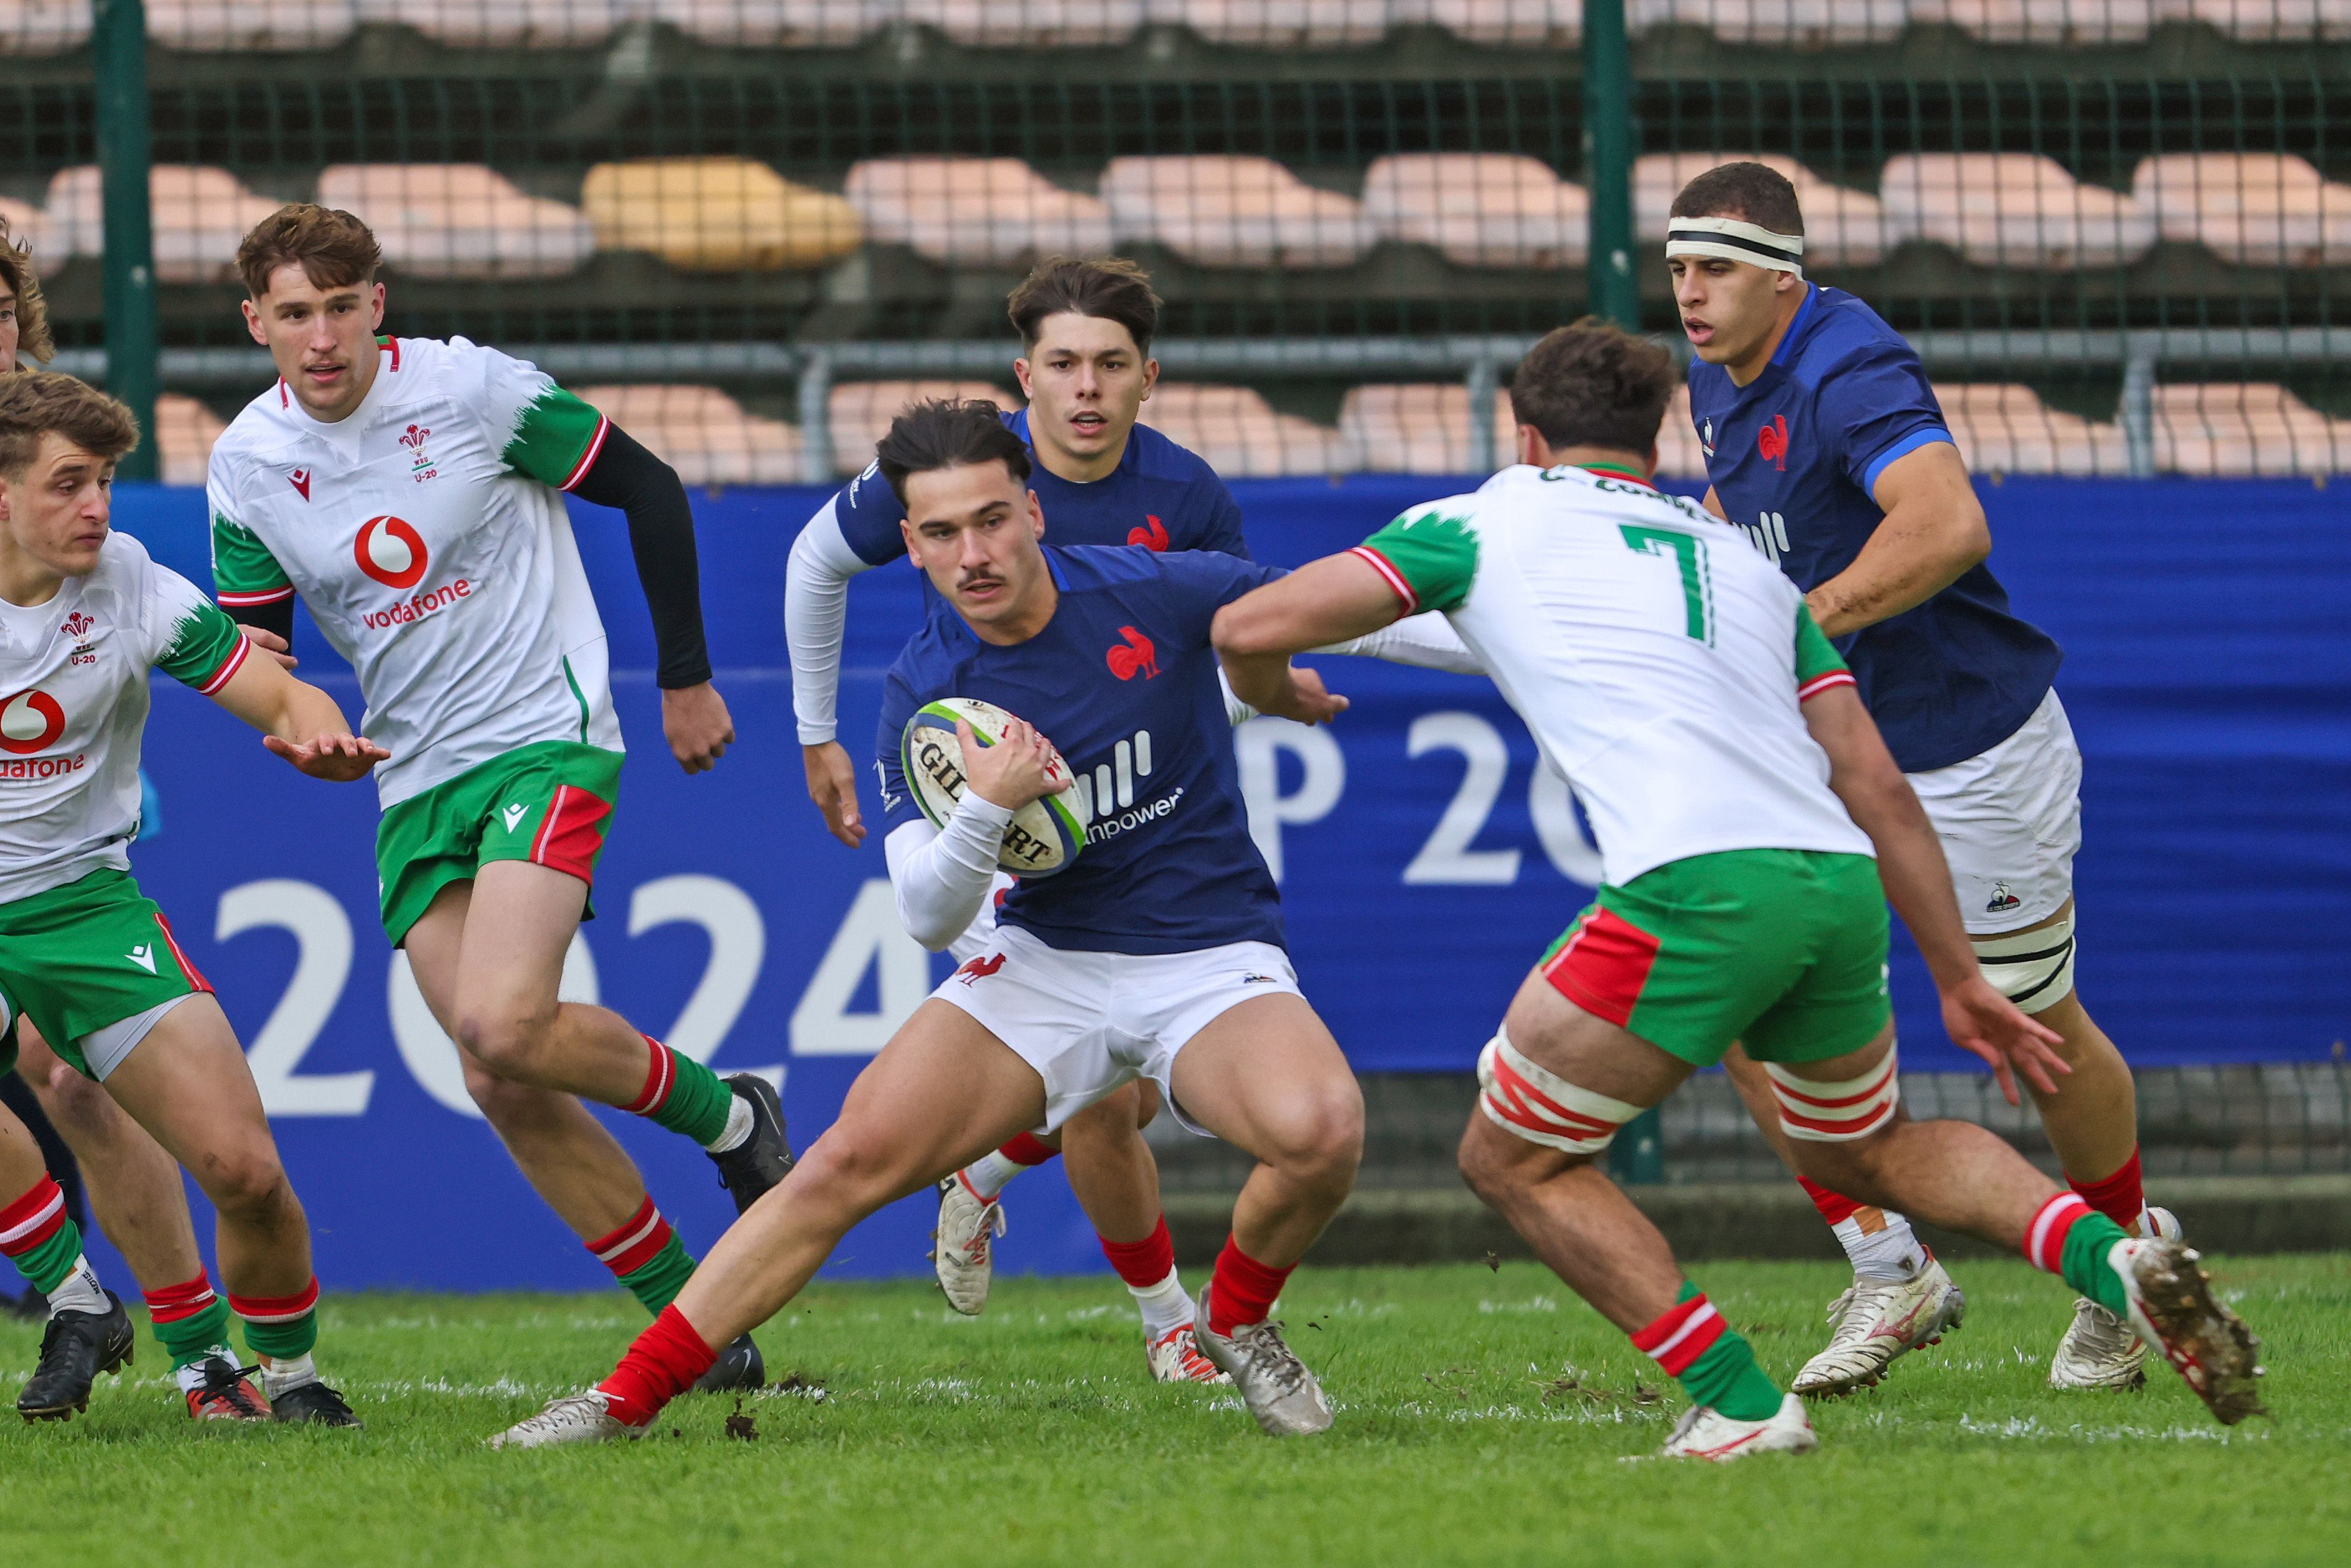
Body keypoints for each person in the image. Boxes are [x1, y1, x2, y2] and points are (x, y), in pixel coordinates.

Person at [1208, 320, 2263, 1458]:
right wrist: (1957, 980)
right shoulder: (1748, 567)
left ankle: (1740, 1406)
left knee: (1509, 1157)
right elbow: (1876, 786)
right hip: (1834, 884)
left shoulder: (1481, 516)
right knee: (1870, 1148)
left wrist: (1276, 691)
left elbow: (1246, 622)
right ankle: (2112, 1253)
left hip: (1695, 888)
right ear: (1656, 447)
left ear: (1523, 436)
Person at [491, 400, 1365, 1448]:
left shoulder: (1159, 587)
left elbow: (1348, 607)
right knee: (837, 1169)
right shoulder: (926, 687)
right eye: (941, 533)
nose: (973, 553)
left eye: (992, 519)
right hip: (1044, 962)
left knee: (1322, 1134)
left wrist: (1492, 621)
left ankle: (1236, 1319)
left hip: (1207, 953)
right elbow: (927, 915)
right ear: (907, 543)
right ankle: (619, 1402)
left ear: (1034, 512)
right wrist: (990, 803)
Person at [790, 256, 1467, 1378]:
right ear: (1026, 379)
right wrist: (818, 731)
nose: (1086, 387)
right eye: (1063, 364)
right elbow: (816, 562)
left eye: (1110, 364)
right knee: (1103, 1098)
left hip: (1136, 821)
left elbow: (1242, 632)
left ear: (1148, 378)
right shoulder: (955, 471)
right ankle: (1169, 1329)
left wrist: (1274, 690)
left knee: (1130, 1084)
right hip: (994, 828)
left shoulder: (1185, 497)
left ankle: (990, 1164)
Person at [205, 204, 790, 1387]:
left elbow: (651, 486)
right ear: (257, 322)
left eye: (340, 307)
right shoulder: (246, 464)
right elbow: (261, 656)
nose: (321, 336)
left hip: (545, 735)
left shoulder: (472, 392)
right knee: (497, 1076)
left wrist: (684, 679)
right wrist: (296, 732)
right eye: (294, 313)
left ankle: (731, 1121)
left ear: (378, 307)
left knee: (499, 1023)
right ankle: (697, 1328)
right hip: (414, 775)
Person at [1666, 161, 2172, 1396]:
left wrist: (1801, 631)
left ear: (1782, 279)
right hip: (1835, 750)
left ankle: (2117, 1271)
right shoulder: (1710, 376)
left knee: (2034, 1028)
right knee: (1735, 1006)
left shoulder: (1848, 365)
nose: (1687, 292)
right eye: (1676, 267)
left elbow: (1945, 526)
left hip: (1966, 752)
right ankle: (1891, 1273)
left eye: (1715, 269)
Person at [0, 370, 377, 1424]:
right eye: (69, 484)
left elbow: (272, 688)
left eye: (107, 482)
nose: (97, 507)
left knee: (243, 1170)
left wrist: (313, 731)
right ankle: (82, 1297)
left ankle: (283, 1376)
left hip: (87, 904)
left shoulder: (128, 582)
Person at [0, 209, 237, 1378]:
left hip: (63, 820)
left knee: (71, 1080)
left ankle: (186, 1347)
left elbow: (111, 609)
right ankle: (77, 1297)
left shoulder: (49, 456)